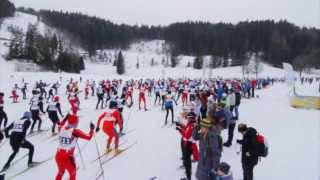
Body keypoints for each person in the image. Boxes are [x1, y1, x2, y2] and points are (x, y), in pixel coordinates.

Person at [55, 113, 95, 180]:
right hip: (68, 156)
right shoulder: (75, 131)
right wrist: (92, 129)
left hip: (58, 154)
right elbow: (88, 137)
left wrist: (66, 118)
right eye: (77, 121)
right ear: (75, 122)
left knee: (60, 172)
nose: (78, 123)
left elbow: (60, 123)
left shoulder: (61, 127)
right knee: (73, 173)